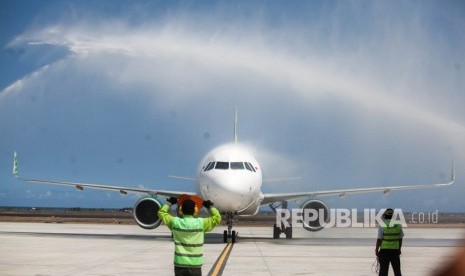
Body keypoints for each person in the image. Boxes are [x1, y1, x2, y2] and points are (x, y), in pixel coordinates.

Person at [158, 195, 221, 276]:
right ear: (195, 210)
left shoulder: (175, 222)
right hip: (195, 265)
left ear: (180, 210)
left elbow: (161, 213)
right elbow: (217, 218)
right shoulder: (201, 223)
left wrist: (169, 203)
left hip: (180, 264)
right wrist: (209, 207)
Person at [375, 208, 404, 276]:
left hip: (384, 251)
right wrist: (399, 249)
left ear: (385, 215)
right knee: (397, 271)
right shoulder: (398, 225)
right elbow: (400, 238)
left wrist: (376, 250)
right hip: (395, 251)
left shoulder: (382, 225)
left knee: (383, 272)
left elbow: (379, 239)